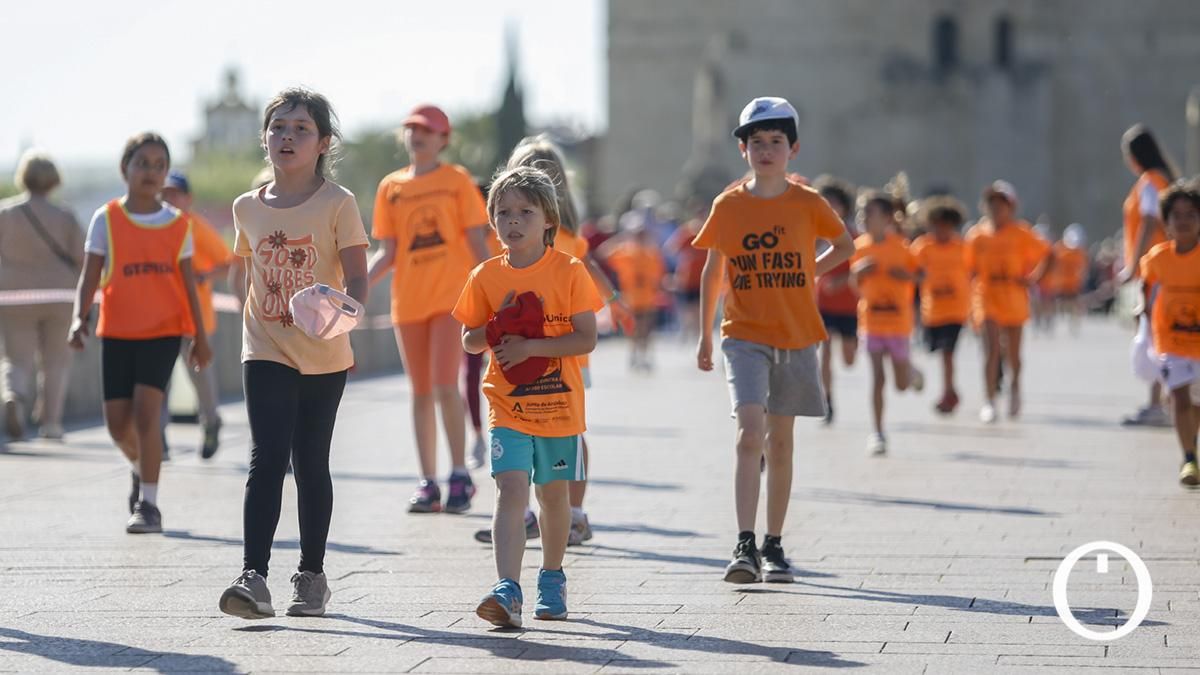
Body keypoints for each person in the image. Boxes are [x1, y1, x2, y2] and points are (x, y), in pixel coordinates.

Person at [217, 88, 369, 620]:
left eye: (302, 129)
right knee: (266, 457)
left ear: (324, 143)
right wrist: (253, 311)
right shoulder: (245, 207)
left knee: (311, 461)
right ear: (265, 138)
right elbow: (245, 272)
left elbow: (357, 278)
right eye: (278, 127)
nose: (288, 137)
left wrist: (342, 316)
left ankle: (310, 575)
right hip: (264, 347)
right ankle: (252, 576)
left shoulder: (338, 202)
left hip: (325, 353)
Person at [694, 97, 854, 584]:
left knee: (781, 442)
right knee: (749, 433)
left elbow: (845, 244)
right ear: (743, 150)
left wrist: (812, 271)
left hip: (797, 335)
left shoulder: (807, 203)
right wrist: (703, 336)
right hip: (743, 336)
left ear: (793, 149)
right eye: (757, 142)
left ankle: (775, 543)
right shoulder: (730, 205)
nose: (766, 150)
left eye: (776, 142)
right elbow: (711, 269)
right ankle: (744, 543)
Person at [454, 165, 603, 627]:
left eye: (524, 212)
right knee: (510, 489)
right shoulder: (484, 276)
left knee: (553, 496)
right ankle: (508, 588)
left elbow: (586, 338)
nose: (512, 221)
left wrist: (531, 346)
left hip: (560, 409)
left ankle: (552, 576)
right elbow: (468, 341)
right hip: (507, 406)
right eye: (502, 212)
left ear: (548, 222)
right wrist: (493, 325)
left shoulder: (570, 270)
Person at [68, 133, 211, 533]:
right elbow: (89, 276)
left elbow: (188, 285)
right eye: (142, 163)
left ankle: (149, 505)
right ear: (124, 169)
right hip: (116, 330)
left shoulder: (177, 224)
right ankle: (139, 467)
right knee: (117, 425)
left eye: (159, 165)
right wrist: (78, 318)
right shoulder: (106, 218)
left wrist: (200, 337)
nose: (151, 172)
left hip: (164, 331)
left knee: (148, 416)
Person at [368, 104, 491, 514]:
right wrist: (352, 289)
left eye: (427, 130)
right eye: (411, 129)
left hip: (450, 302)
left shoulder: (456, 180)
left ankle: (459, 474)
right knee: (420, 392)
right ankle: (427, 481)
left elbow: (477, 243)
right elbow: (388, 252)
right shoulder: (391, 187)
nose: (416, 135)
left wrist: (494, 292)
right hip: (409, 304)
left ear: (443, 139)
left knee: (444, 386)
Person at [0, 150, 82, 441]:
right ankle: (51, 423)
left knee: (16, 357)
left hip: (13, 294)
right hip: (60, 295)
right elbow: (82, 258)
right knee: (56, 360)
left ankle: (13, 395)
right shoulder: (65, 216)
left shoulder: (5, 214)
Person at [964, 180, 1052, 424]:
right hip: (986, 296)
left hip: (1013, 296)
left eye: (1001, 205)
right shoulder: (976, 235)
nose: (995, 209)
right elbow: (968, 269)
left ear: (1010, 208)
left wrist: (1034, 278)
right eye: (991, 204)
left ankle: (1015, 387)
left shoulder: (1021, 233)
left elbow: (1048, 254)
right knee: (991, 350)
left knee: (1013, 354)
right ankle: (989, 400)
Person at [160, 171, 233, 459]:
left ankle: (211, 422)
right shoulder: (154, 226)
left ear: (188, 198)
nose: (170, 199)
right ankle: (158, 439)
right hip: (161, 319)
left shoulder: (196, 227)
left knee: (201, 378)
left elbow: (228, 262)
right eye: (164, 193)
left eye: (175, 193)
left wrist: (204, 276)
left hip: (195, 319)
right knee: (158, 382)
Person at [851, 191, 924, 456]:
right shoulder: (859, 247)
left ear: (886, 217)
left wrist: (904, 275)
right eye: (861, 213)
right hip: (870, 322)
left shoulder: (902, 246)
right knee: (878, 378)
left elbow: (920, 276)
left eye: (868, 213)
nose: (863, 218)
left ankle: (912, 372)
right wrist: (858, 272)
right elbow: (852, 284)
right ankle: (878, 432)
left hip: (898, 323)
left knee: (901, 385)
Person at [1141, 178, 1200, 486]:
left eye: (1191, 214)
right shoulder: (1158, 258)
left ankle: (1194, 446)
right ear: (1167, 223)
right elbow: (1146, 284)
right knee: (1179, 396)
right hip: (1171, 339)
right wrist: (1144, 312)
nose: (1184, 220)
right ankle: (1189, 458)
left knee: (1196, 404)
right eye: (1177, 215)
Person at [1119, 124, 1178, 427]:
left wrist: (1132, 266)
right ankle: (1166, 400)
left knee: (1154, 336)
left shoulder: (1150, 182)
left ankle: (1160, 403)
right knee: (1158, 334)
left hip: (1153, 269)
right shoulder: (1160, 179)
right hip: (1160, 268)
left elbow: (1149, 221)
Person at [911, 197, 970, 414]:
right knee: (939, 352)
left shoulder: (962, 247)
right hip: (932, 311)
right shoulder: (922, 247)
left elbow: (973, 270)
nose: (941, 230)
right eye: (936, 225)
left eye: (946, 226)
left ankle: (948, 393)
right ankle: (952, 391)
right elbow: (912, 271)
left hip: (956, 310)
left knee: (947, 352)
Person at [812, 175, 859, 424]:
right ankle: (827, 400)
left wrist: (840, 283)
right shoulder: (814, 235)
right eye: (825, 203)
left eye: (834, 204)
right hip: (823, 306)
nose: (830, 209)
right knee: (825, 353)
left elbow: (859, 268)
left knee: (849, 360)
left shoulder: (852, 235)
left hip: (849, 306)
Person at [599, 217, 667, 371]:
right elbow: (603, 252)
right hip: (631, 300)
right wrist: (623, 237)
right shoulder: (625, 252)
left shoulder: (651, 253)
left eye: (642, 234)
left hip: (648, 299)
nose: (640, 237)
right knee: (634, 330)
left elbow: (659, 276)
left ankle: (645, 357)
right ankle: (635, 356)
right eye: (637, 234)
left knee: (647, 330)